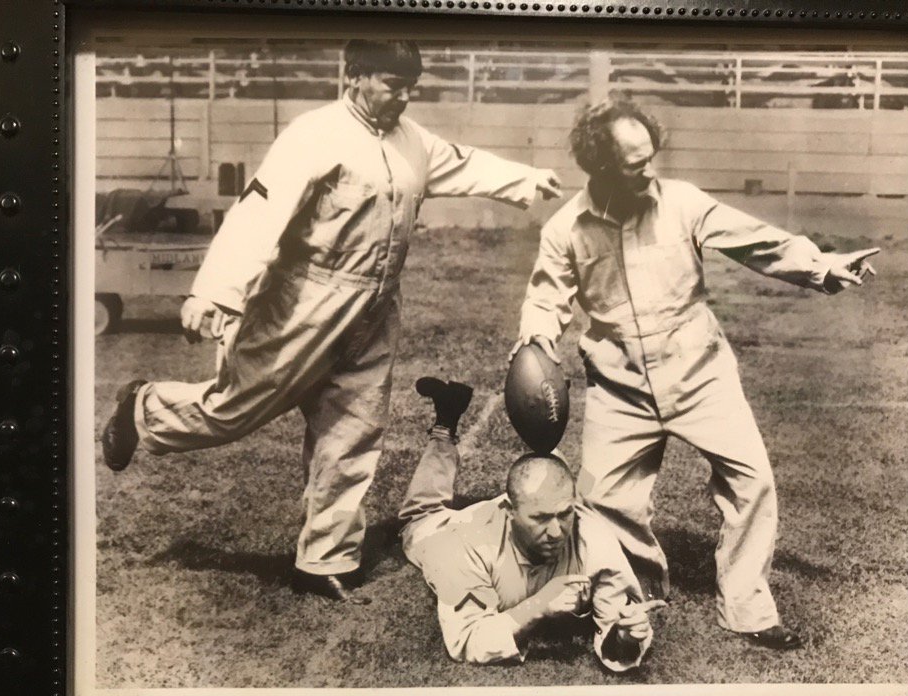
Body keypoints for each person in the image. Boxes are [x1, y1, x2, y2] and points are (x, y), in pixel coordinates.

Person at [101, 40, 562, 602]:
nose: (404, 95)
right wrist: (216, 293)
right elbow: (258, 213)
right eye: (392, 84)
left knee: (354, 428)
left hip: (375, 308)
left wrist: (524, 179)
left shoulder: (411, 139)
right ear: (356, 75)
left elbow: (461, 163)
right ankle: (145, 409)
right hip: (300, 302)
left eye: (410, 85)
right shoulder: (313, 135)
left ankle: (324, 559)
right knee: (233, 410)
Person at [513, 93, 879, 650]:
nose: (650, 170)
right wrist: (537, 338)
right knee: (607, 502)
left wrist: (822, 265)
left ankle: (748, 608)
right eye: (636, 163)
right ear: (603, 166)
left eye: (652, 155)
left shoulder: (681, 202)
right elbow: (546, 297)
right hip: (620, 387)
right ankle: (634, 596)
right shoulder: (567, 229)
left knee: (752, 482)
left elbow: (756, 240)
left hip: (702, 373)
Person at [399, 377, 663, 669]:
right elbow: (467, 640)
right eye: (540, 519)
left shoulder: (592, 537)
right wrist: (538, 607)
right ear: (509, 510)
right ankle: (444, 426)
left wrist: (625, 637)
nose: (555, 532)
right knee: (421, 514)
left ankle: (538, 415)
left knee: (547, 477)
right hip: (445, 529)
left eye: (564, 515)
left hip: (526, 507)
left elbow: (617, 628)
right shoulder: (459, 544)